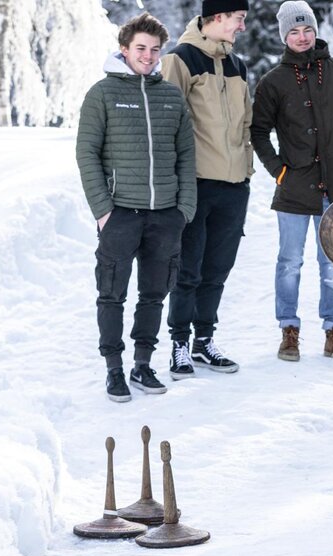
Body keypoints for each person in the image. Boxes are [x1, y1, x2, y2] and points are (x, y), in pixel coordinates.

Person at [76, 13, 196, 403]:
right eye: (141, 48)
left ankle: (142, 365)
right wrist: (103, 210)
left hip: (165, 215)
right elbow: (87, 154)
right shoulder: (102, 94)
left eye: (155, 49)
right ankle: (114, 369)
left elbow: (186, 156)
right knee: (111, 295)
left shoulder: (171, 96)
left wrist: (183, 209)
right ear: (124, 49)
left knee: (153, 295)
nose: (148, 56)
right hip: (120, 214)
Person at [252, 0, 333, 363]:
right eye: (294, 31)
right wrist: (279, 171)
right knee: (289, 262)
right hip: (294, 188)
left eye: (307, 30)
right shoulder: (272, 82)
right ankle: (289, 330)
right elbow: (258, 132)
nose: (302, 37)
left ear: (315, 31)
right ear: (284, 36)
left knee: (332, 262)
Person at [161, 0, 253, 379]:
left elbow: (246, 124)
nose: (241, 27)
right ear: (217, 17)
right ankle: (179, 344)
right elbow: (167, 123)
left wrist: (246, 173)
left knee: (217, 270)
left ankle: (204, 341)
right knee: (188, 270)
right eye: (238, 19)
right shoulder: (180, 60)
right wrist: (174, 184)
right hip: (194, 185)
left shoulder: (237, 65)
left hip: (234, 188)